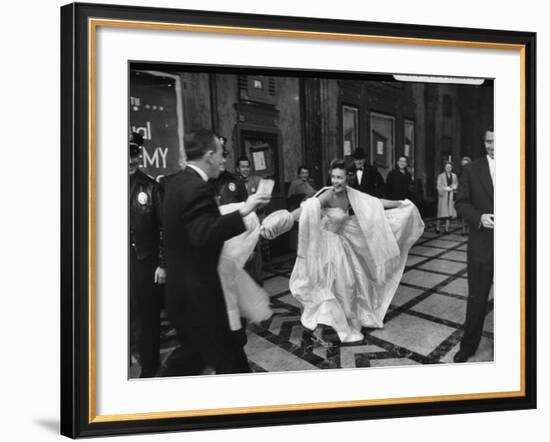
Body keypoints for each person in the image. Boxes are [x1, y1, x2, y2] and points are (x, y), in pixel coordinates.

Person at [261, 159, 424, 346]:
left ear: (348, 178)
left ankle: (329, 326)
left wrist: (400, 203)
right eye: (333, 176)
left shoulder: (352, 195)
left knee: (345, 287)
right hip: (322, 247)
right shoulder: (327, 195)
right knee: (326, 287)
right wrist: (283, 221)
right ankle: (320, 330)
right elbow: (305, 209)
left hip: (339, 247)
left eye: (340, 177)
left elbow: (376, 203)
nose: (336, 181)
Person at [163, 129, 270, 375]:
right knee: (225, 365)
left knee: (198, 360)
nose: (224, 159)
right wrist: (245, 211)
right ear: (209, 156)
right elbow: (203, 234)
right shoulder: (197, 188)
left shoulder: (176, 182)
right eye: (221, 153)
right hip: (200, 301)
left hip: (184, 297)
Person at [453, 129, 494, 363]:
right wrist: (479, 218)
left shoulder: (523, 163)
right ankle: (468, 346)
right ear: (484, 142)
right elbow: (461, 203)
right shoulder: (471, 169)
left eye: (497, 141)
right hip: (482, 243)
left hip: (517, 244)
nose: (493, 146)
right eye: (489, 141)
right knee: (477, 297)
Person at [128, 132, 165, 377]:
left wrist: (162, 263)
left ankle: (150, 366)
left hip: (145, 261)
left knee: (147, 316)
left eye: (134, 154)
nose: (131, 160)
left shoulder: (150, 187)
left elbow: (164, 228)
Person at [211, 139, 248, 205]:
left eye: (225, 156)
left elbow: (246, 208)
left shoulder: (237, 181)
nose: (224, 160)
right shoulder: (203, 181)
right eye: (220, 156)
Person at [435, 161, 458, 233]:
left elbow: (456, 184)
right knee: (441, 214)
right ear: (445, 168)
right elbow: (438, 186)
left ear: (452, 168)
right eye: (447, 167)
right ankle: (437, 227)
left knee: (449, 214)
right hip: (443, 196)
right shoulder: (441, 176)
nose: (448, 168)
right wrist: (445, 188)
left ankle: (446, 229)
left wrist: (454, 187)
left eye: (450, 167)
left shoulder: (454, 176)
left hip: (450, 195)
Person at [459, 156, 473, 235]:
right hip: (463, 196)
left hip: (471, 196)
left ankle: (470, 230)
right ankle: (464, 230)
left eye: (466, 164)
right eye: (463, 164)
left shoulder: (473, 172)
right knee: (463, 214)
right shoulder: (461, 173)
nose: (465, 166)